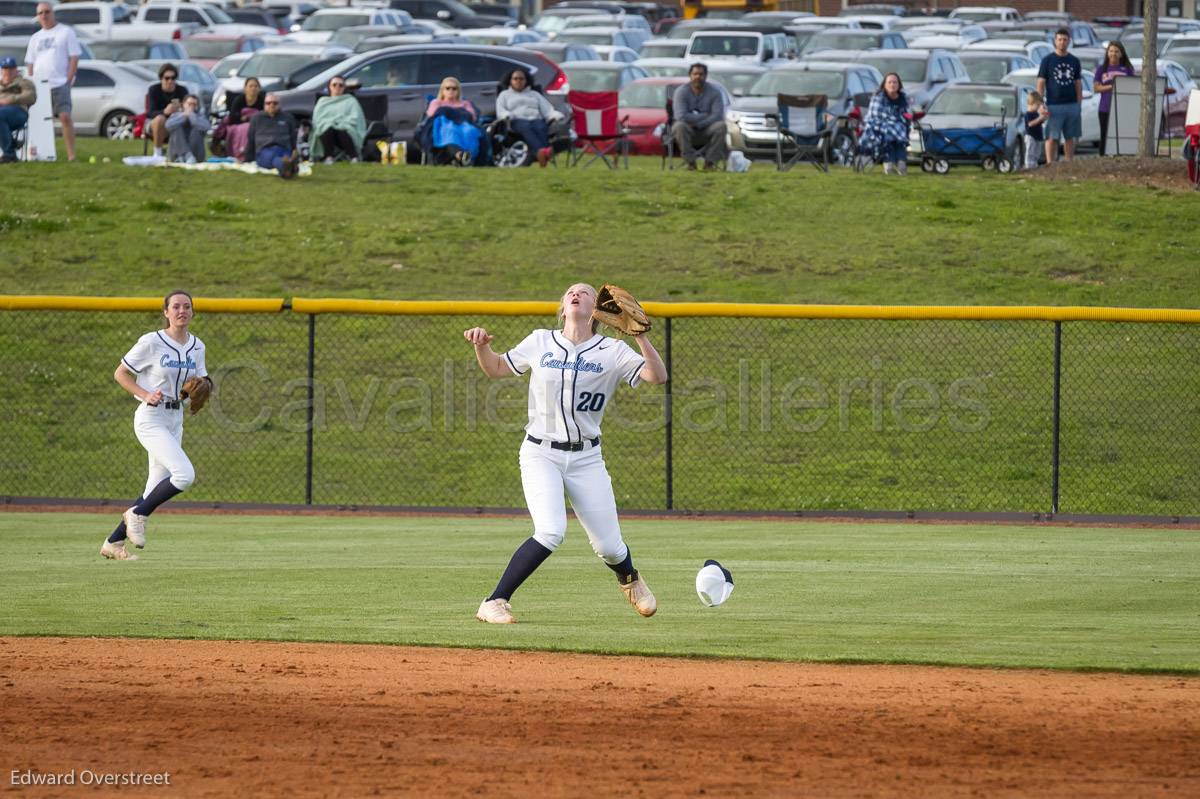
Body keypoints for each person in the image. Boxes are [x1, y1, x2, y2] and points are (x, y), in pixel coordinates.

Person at [464, 283, 669, 624]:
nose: (577, 294)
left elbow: (657, 376)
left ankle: (630, 580)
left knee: (610, 548)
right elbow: (497, 368)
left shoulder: (611, 350)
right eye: (571, 292)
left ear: (598, 310)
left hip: (587, 458)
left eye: (585, 293)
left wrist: (640, 337)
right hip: (540, 453)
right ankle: (494, 601)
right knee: (550, 531)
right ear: (562, 307)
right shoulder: (541, 341)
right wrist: (482, 348)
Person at [101, 290, 209, 561]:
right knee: (184, 475)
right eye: (176, 307)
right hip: (151, 418)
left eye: (187, 306)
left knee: (155, 486)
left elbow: (202, 380)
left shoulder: (197, 346)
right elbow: (120, 373)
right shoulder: (152, 341)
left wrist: (203, 389)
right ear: (166, 312)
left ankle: (113, 543)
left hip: (175, 419)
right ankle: (137, 514)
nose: (181, 310)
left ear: (192, 312)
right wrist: (144, 393)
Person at [24, 3, 81, 162]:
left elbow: (74, 58)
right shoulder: (36, 37)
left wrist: (68, 80)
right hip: (40, 86)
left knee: (64, 117)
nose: (44, 15)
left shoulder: (65, 32)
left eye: (47, 12)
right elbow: (30, 62)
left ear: (53, 13)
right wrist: (32, 82)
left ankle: (71, 155)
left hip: (60, 83)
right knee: (40, 121)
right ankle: (40, 153)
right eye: (40, 13)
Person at [495, 67, 564, 167]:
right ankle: (544, 151)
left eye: (521, 79)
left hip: (535, 119)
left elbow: (547, 109)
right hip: (516, 121)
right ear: (510, 80)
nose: (518, 81)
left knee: (540, 126)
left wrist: (554, 115)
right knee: (526, 126)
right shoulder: (504, 95)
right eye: (515, 78)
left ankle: (541, 153)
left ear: (526, 80)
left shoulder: (534, 94)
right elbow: (500, 110)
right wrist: (506, 115)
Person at [1036, 28, 1083, 164]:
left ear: (1069, 42)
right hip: (1053, 105)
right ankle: (1050, 164)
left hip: (1071, 105)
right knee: (1052, 137)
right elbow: (1040, 83)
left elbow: (1078, 84)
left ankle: (1069, 163)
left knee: (1070, 137)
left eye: (1065, 40)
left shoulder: (1074, 61)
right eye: (1059, 39)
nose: (1062, 42)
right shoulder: (1047, 61)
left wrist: (1078, 105)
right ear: (1055, 41)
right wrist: (1040, 104)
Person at [671, 63, 726, 171]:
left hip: (707, 130)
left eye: (701, 74)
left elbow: (717, 115)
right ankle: (691, 163)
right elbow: (681, 116)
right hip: (687, 130)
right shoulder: (681, 92)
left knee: (721, 126)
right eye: (695, 74)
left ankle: (710, 163)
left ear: (705, 76)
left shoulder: (715, 92)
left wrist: (699, 124)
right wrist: (706, 115)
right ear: (690, 75)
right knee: (679, 126)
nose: (698, 77)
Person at [857, 72, 911, 175]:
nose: (892, 84)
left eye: (895, 82)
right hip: (877, 126)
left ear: (899, 84)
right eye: (889, 82)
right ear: (884, 85)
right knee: (890, 133)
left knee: (899, 130)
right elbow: (874, 116)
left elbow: (906, 114)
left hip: (898, 127)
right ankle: (890, 163)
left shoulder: (903, 98)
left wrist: (905, 118)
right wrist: (892, 122)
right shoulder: (878, 97)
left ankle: (900, 163)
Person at [423, 76, 480, 166]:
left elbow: (472, 116)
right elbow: (431, 114)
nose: (451, 91)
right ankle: (460, 155)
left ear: (458, 91)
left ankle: (467, 156)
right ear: (442, 90)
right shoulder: (436, 102)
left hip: (463, 125)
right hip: (444, 125)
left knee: (470, 131)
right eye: (447, 88)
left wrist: (456, 114)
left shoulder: (464, 103)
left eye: (454, 88)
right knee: (451, 130)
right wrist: (450, 112)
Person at [310, 75, 366, 163]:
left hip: (346, 130)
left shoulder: (351, 100)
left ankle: (353, 157)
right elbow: (317, 119)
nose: (337, 87)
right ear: (329, 87)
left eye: (341, 85)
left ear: (344, 88)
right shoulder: (322, 101)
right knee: (328, 129)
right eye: (334, 84)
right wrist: (331, 123)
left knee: (341, 131)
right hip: (327, 130)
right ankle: (329, 157)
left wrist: (340, 124)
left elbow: (356, 118)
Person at [1092, 40, 1134, 156]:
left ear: (1121, 54)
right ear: (1107, 53)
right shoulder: (1102, 69)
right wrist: (1112, 86)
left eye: (1116, 51)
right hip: (1105, 108)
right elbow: (1096, 88)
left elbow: (1131, 87)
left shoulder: (1127, 69)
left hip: (1122, 108)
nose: (1113, 54)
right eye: (1111, 51)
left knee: (1120, 135)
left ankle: (1120, 157)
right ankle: (1103, 158)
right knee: (1105, 135)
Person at [244, 92, 299, 179]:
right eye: (268, 103)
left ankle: (288, 167)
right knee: (274, 158)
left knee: (284, 156)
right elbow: (251, 138)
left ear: (279, 104)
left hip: (283, 148)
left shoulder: (288, 117)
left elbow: (293, 137)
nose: (271, 105)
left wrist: (294, 150)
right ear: (264, 105)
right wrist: (247, 158)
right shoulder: (256, 118)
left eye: (275, 103)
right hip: (264, 150)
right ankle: (288, 167)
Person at [145, 63, 189, 159]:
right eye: (167, 78)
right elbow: (149, 113)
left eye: (173, 78)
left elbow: (190, 108)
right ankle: (158, 153)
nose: (170, 81)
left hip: (176, 122)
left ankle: (186, 154)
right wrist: (165, 112)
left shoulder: (182, 90)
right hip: (156, 123)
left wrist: (182, 109)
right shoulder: (153, 90)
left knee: (188, 119)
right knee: (160, 119)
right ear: (161, 78)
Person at [216, 77, 264, 160]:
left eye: (256, 86)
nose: (253, 88)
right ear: (245, 88)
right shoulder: (239, 100)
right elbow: (233, 116)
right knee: (243, 129)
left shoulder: (262, 101)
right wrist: (245, 118)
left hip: (256, 125)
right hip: (238, 124)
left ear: (259, 88)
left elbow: (263, 115)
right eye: (251, 86)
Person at [0, 56, 35, 163]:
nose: (8, 71)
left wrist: (10, 99)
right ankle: (12, 143)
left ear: (16, 69)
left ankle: (9, 154)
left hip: (18, 112)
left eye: (11, 68)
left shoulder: (24, 83)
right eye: (5, 68)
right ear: (1, 70)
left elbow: (30, 97)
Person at [165, 94, 210, 164]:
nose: (192, 106)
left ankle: (188, 156)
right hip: (176, 154)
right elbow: (168, 126)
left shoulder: (201, 117)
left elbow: (206, 127)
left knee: (197, 128)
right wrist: (184, 116)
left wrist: (191, 116)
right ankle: (186, 155)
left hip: (196, 154)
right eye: (189, 104)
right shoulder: (176, 115)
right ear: (183, 104)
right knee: (176, 127)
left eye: (194, 104)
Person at [1022, 90, 1049, 170]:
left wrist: (1043, 118)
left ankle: (1034, 165)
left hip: (1038, 136)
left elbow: (1040, 122)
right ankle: (1028, 166)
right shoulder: (1028, 114)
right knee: (1030, 152)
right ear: (1031, 103)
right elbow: (1030, 124)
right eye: (1037, 105)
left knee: (1037, 152)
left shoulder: (1036, 113)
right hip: (1031, 136)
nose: (1038, 107)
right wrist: (1039, 118)